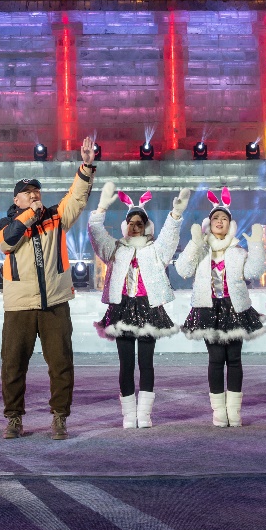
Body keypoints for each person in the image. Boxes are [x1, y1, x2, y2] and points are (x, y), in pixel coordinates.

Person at [0, 136, 96, 441]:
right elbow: (6, 243)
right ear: (17, 200)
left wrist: (86, 166)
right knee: (13, 365)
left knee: (61, 363)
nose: (34, 195)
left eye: (36, 191)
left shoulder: (55, 218)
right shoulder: (4, 225)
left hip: (55, 302)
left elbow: (76, 198)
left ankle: (60, 416)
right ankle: (13, 418)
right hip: (19, 306)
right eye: (27, 193)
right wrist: (29, 216)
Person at [88, 183, 190, 428]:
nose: (134, 227)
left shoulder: (155, 250)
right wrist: (100, 209)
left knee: (146, 363)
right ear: (125, 226)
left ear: (146, 227)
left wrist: (175, 215)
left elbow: (169, 239)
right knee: (126, 365)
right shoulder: (115, 249)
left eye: (139, 224)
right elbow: (96, 234)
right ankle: (128, 415)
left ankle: (144, 414)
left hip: (147, 309)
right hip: (121, 308)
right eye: (131, 223)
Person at [176, 187, 266, 428]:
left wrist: (256, 245)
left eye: (224, 219)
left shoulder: (237, 250)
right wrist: (195, 243)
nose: (219, 221)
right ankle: (219, 411)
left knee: (234, 359)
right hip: (208, 309)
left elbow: (254, 272)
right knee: (216, 359)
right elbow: (183, 270)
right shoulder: (201, 249)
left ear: (230, 225)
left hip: (234, 308)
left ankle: (234, 411)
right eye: (215, 218)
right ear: (209, 223)